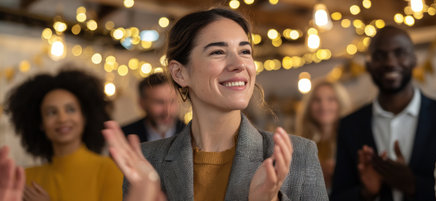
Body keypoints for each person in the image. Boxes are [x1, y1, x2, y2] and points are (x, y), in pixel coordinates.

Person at [102, 8, 328, 201]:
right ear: (180, 73)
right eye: (218, 52)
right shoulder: (148, 161)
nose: (239, 64)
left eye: (245, 51)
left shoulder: (300, 155)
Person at [331, 26, 436, 201]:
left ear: (414, 59)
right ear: (369, 65)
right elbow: (338, 196)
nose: (390, 62)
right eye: (380, 55)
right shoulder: (350, 125)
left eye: (399, 53)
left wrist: (412, 184)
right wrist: (366, 193)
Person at [5, 69, 123, 201]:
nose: (62, 119)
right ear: (40, 123)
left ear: (84, 117)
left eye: (70, 109)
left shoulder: (108, 170)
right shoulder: (24, 177)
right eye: (51, 112)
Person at [296, 80, 350, 191]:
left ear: (340, 103)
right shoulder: (300, 145)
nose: (323, 106)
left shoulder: (350, 141)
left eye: (331, 99)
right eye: (317, 100)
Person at [122, 73, 185, 142]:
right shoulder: (124, 136)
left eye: (172, 101)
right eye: (159, 102)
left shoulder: (192, 134)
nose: (168, 111)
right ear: (142, 103)